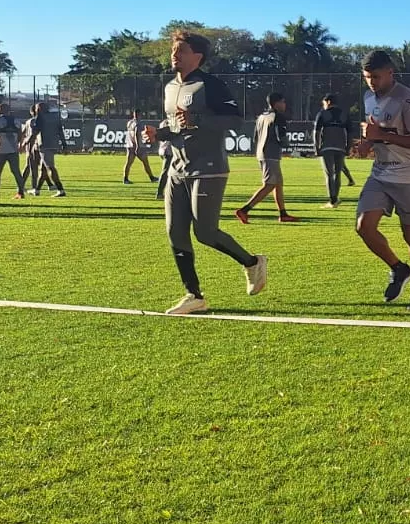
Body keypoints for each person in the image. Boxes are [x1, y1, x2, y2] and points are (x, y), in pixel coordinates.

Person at [142, 30, 268, 315]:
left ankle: (252, 263)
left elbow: (236, 119)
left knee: (205, 232)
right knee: (175, 233)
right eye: (173, 50)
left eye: (180, 50)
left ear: (197, 56)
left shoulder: (210, 85)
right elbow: (176, 125)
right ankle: (193, 295)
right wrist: (159, 133)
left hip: (208, 168)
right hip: (177, 168)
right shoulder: (170, 87)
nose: (174, 55)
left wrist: (199, 119)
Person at [353, 50, 410, 310]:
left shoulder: (407, 100)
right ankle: (398, 269)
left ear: (390, 73)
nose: (371, 82)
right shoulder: (368, 97)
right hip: (381, 173)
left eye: (376, 76)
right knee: (364, 226)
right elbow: (376, 130)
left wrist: (382, 136)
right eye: (367, 77)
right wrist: (367, 142)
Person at [236, 93, 299, 223]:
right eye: (283, 101)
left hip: (262, 152)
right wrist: (286, 146)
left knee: (278, 183)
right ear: (276, 103)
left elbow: (255, 136)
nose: (285, 104)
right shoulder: (278, 117)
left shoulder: (261, 117)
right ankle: (244, 210)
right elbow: (279, 135)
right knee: (270, 184)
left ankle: (283, 214)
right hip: (271, 154)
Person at [313, 94, 354, 208]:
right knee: (338, 173)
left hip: (327, 147)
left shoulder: (322, 113)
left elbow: (316, 132)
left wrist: (317, 148)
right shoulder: (344, 114)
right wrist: (348, 147)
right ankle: (335, 198)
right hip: (340, 148)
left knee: (329, 174)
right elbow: (350, 133)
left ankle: (332, 200)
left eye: (324, 103)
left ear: (328, 102)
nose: (323, 105)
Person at [0, 103, 26, 199]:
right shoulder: (17, 121)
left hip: (1, 149)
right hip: (13, 150)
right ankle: (21, 192)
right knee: (16, 172)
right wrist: (17, 144)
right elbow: (20, 135)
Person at [30, 102, 68, 197]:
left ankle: (60, 189)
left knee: (50, 167)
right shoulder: (55, 117)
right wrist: (64, 145)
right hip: (54, 144)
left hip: (44, 145)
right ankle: (37, 190)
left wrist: (26, 142)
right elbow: (60, 131)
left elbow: (35, 132)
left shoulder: (40, 117)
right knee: (43, 169)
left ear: (39, 109)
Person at [123, 109, 158, 184]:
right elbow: (136, 134)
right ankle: (152, 178)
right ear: (140, 114)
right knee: (145, 163)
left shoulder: (129, 122)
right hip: (138, 146)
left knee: (128, 163)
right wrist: (138, 146)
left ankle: (125, 179)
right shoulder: (138, 123)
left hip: (130, 145)